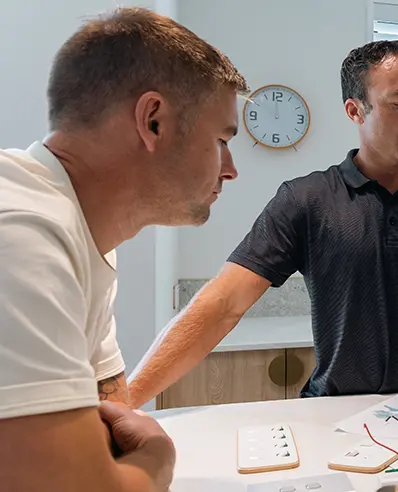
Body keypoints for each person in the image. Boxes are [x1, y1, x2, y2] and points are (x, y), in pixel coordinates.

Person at [127, 39, 398, 406]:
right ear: (355, 110)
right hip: (333, 411)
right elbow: (222, 303)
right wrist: (123, 403)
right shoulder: (306, 201)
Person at [0, 7, 248, 491]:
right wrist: (158, 458)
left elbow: (112, 414)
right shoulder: (23, 233)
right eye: (221, 139)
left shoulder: (85, 237)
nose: (230, 169)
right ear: (153, 121)